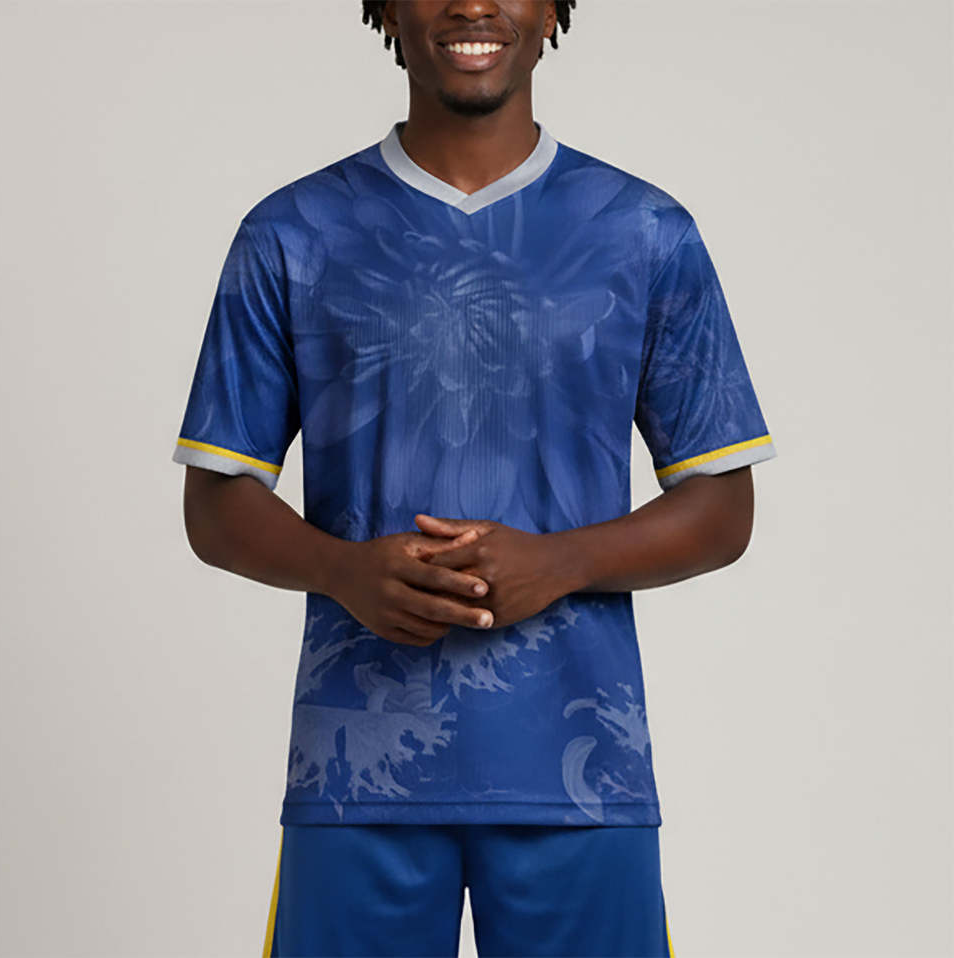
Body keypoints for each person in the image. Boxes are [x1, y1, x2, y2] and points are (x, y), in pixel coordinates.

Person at [171, 2, 777, 955]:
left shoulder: (645, 232)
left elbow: (722, 506)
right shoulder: (292, 231)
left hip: (581, 779)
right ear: (385, 9)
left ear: (553, 11)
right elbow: (215, 501)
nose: (472, 4)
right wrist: (343, 570)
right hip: (354, 779)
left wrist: (563, 562)